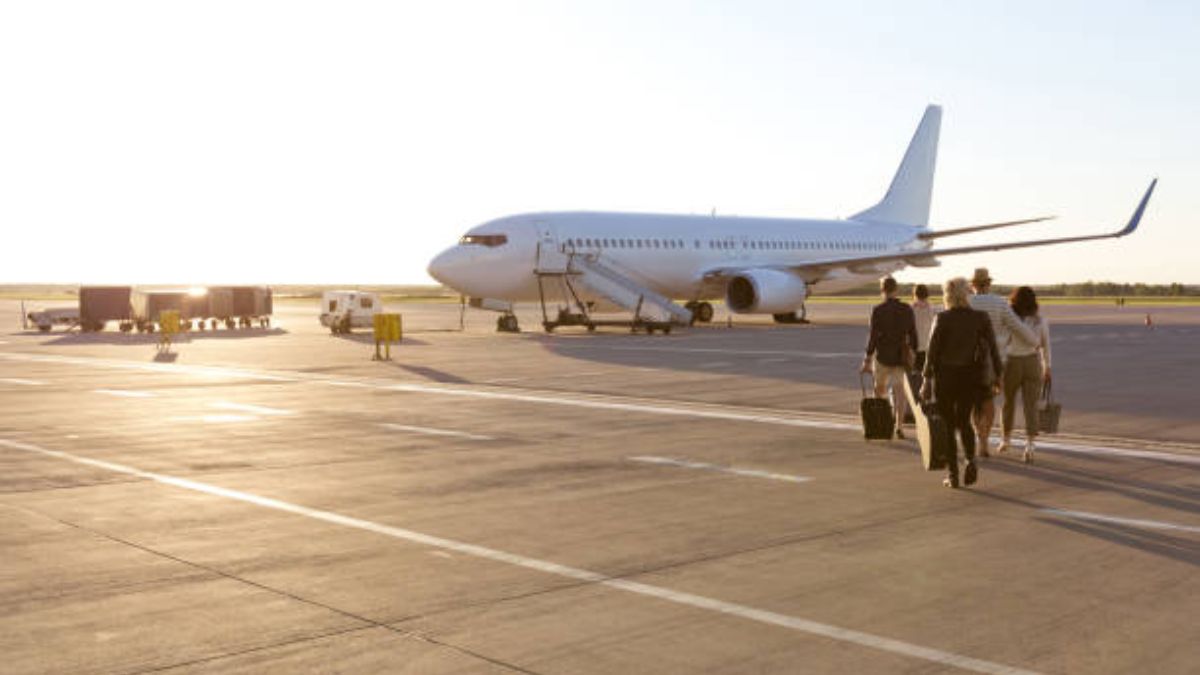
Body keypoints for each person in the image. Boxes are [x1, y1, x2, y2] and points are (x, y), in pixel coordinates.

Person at [921, 277, 1003, 488]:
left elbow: (931, 353)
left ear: (947, 295)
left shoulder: (942, 318)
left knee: (948, 425)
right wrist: (998, 377)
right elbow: (994, 349)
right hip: (971, 377)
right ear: (967, 293)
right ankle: (970, 459)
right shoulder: (980, 318)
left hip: (946, 377)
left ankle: (953, 475)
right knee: (965, 421)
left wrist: (926, 381)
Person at [967, 268, 1037, 456]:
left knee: (975, 402)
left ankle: (979, 437)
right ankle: (986, 437)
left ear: (972, 285)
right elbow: (1017, 326)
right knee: (988, 400)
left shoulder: (967, 302)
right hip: (995, 359)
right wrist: (1034, 341)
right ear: (988, 284)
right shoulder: (1000, 303)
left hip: (970, 360)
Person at [999, 286, 1052, 463]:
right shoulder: (1040, 321)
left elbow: (1003, 342)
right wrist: (1047, 366)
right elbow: (1046, 345)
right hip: (1032, 362)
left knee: (1008, 402)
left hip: (1012, 362)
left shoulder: (1010, 320)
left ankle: (1006, 439)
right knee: (1031, 405)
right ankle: (1029, 444)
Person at [860, 276, 917, 439]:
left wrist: (867, 358)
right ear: (896, 289)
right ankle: (899, 426)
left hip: (883, 355)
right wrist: (913, 351)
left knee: (879, 390)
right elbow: (913, 334)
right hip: (901, 356)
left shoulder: (878, 310)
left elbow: (873, 337)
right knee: (900, 392)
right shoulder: (907, 309)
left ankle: (880, 422)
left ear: (882, 290)